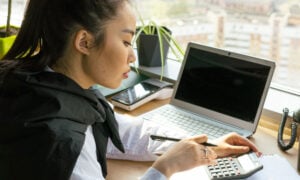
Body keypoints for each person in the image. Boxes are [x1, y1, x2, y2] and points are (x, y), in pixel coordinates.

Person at [0, 0, 261, 179]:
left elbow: (120, 131)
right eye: (126, 41)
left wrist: (209, 145)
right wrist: (165, 167)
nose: (132, 57)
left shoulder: (36, 81)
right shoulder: (63, 147)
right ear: (84, 41)